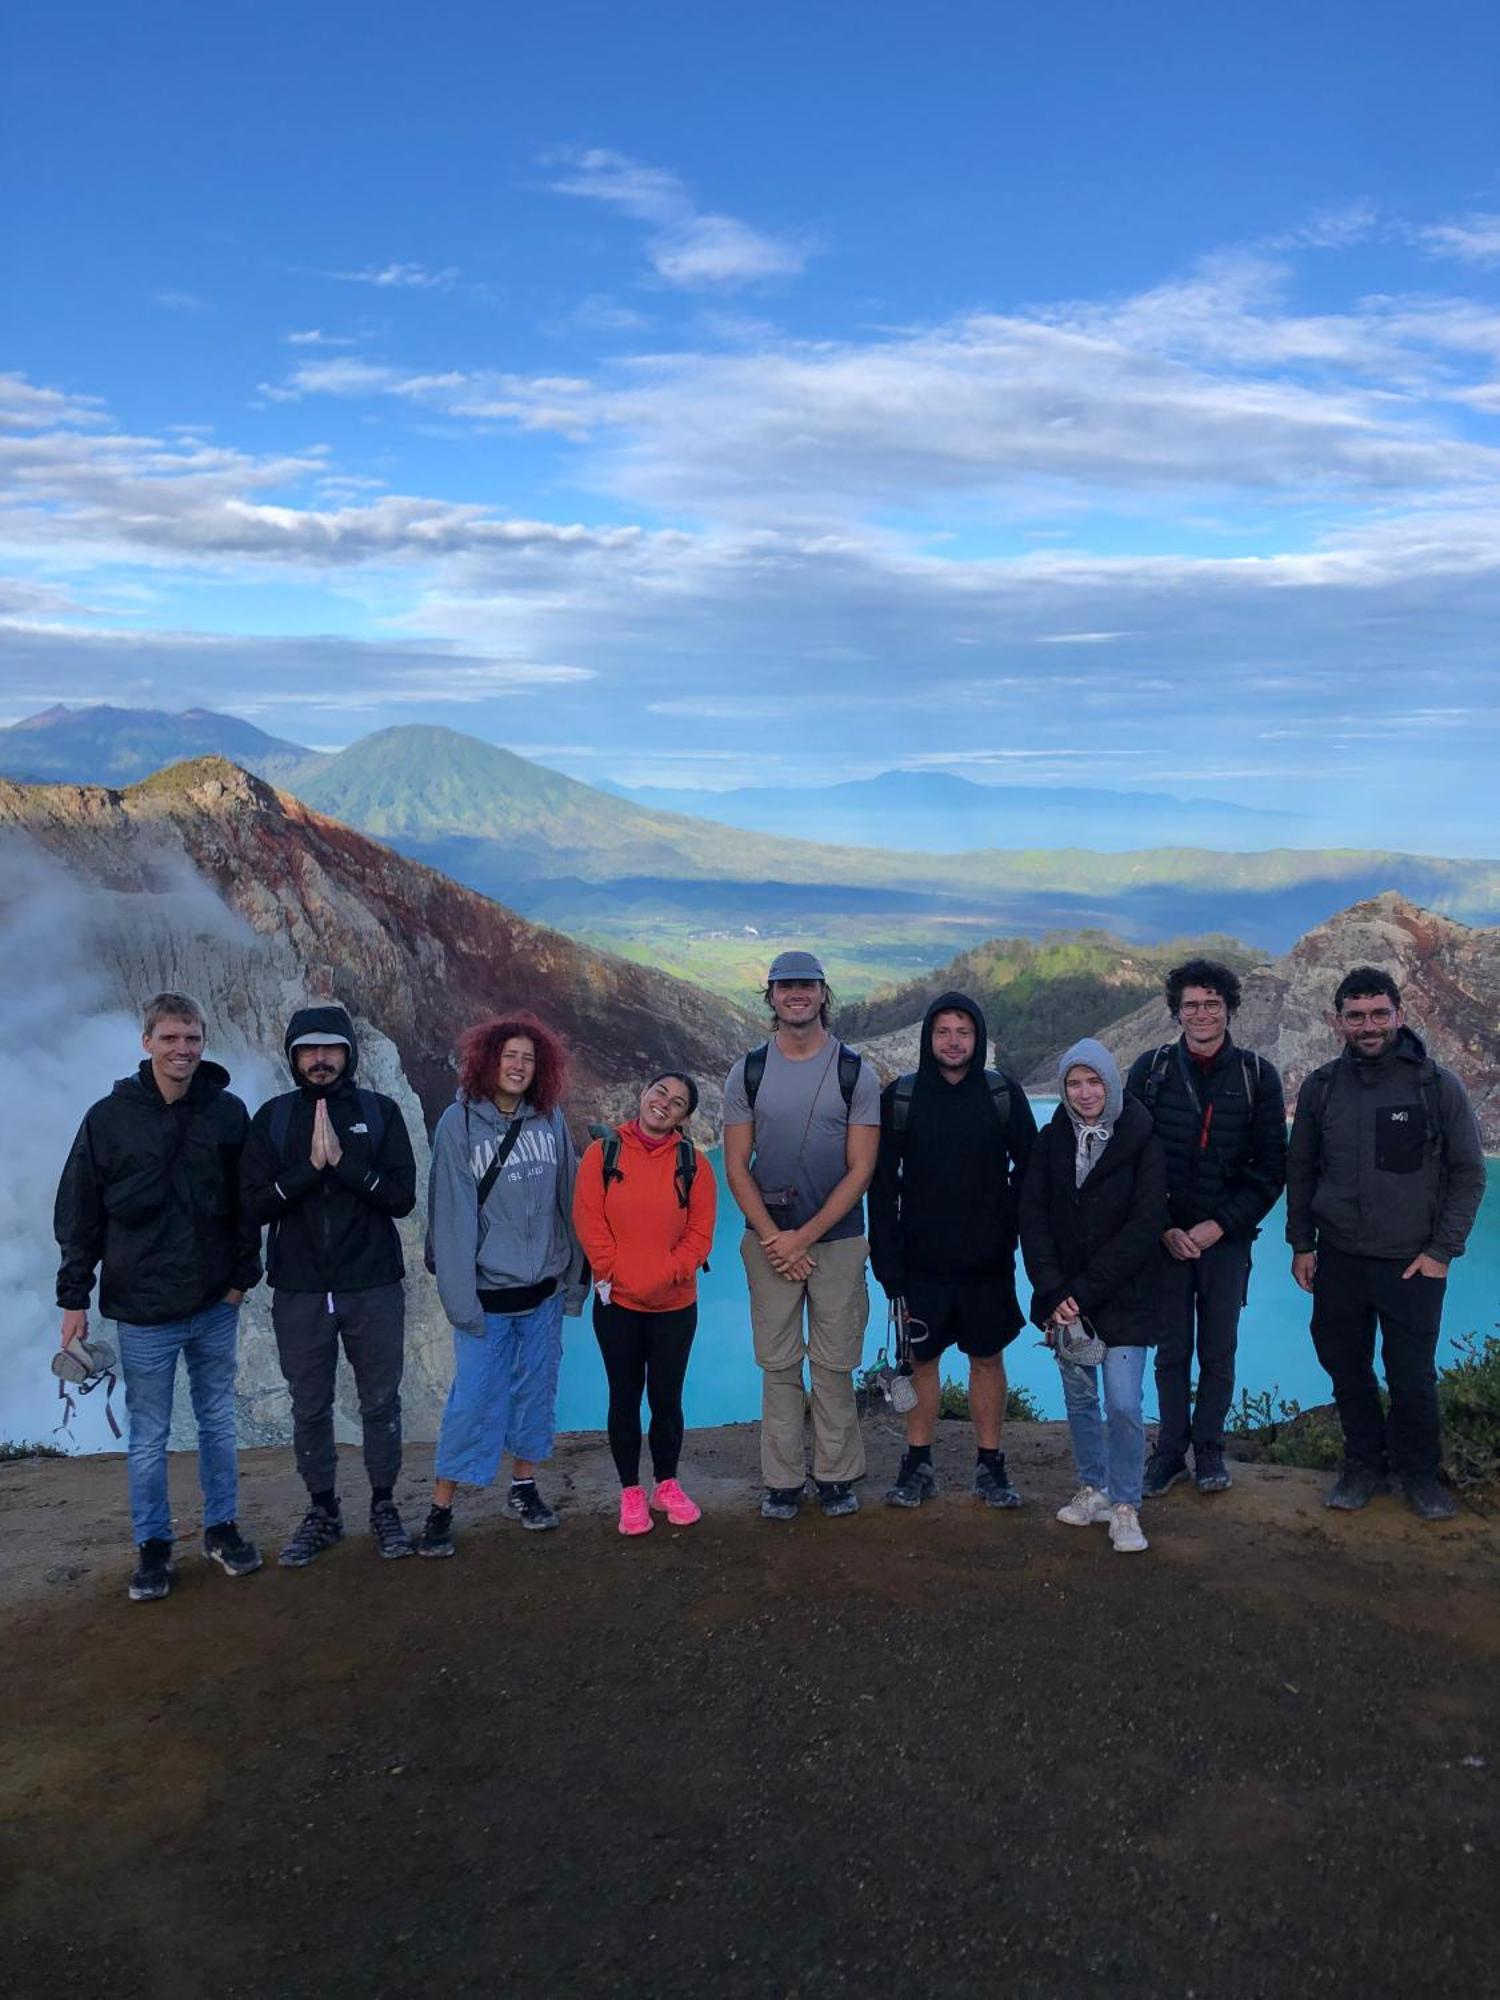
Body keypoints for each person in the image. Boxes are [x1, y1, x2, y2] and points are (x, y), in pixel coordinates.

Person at [54, 993, 263, 1602]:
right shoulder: (108, 1119)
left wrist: (240, 1280)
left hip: (211, 1304)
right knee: (149, 1434)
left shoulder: (227, 1114)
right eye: (170, 1038)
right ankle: (153, 1546)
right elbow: (80, 1213)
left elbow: (246, 1205)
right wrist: (74, 1300)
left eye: (192, 1039)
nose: (182, 1050)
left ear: (204, 1042)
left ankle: (221, 1529)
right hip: (143, 1310)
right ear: (146, 1042)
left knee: (218, 1420)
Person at [1287, 966, 1486, 1521]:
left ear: (1398, 1014)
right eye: (1356, 1016)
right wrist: (1302, 1244)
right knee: (1347, 1369)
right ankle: (1363, 1467)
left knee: (1412, 1377)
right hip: (1340, 1260)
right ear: (1338, 1022)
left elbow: (1469, 1173)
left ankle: (1418, 1476)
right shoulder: (1322, 1087)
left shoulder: (1435, 1084)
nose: (1368, 1025)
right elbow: (1300, 1171)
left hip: (1411, 1264)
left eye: (1379, 1014)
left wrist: (1443, 1251)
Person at [240, 1005, 419, 1566]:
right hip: (300, 1288)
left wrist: (343, 1165)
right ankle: (323, 1510)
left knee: (380, 1401)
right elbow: (252, 1203)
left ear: (349, 1053)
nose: (320, 1060)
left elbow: (401, 1198)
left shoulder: (380, 1112)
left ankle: (384, 1505)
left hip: (372, 1283)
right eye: (309, 1050)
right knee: (310, 1403)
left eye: (331, 1048)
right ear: (293, 1056)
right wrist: (307, 1171)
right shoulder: (271, 1119)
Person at [417, 1011, 588, 1555]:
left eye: (528, 1058)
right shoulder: (459, 1124)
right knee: (473, 1401)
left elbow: (570, 1196)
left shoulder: (550, 1118)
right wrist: (460, 1301)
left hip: (541, 1292)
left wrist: (574, 1275)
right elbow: (452, 1214)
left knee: (535, 1394)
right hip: (486, 1297)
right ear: (487, 1062)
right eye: (509, 1056)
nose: (518, 1066)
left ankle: (523, 1486)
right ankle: (442, 1505)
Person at [723, 950, 881, 1520]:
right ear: (771, 996)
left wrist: (801, 1238)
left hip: (836, 1240)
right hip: (768, 1241)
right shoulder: (747, 1071)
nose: (797, 995)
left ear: (822, 994)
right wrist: (775, 1239)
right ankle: (783, 1480)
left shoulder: (854, 1071)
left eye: (806, 986)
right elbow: (737, 1165)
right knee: (779, 1364)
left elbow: (861, 1169)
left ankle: (837, 1476)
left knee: (835, 1364)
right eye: (786, 986)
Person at [869, 991, 1038, 1509]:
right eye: (943, 1031)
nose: (953, 1041)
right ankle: (917, 1465)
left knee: (987, 1358)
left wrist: (1004, 1227)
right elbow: (881, 1186)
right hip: (920, 1263)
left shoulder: (1001, 1094)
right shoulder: (901, 1097)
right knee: (922, 1361)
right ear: (928, 1038)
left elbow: (1029, 1172)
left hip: (987, 1262)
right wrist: (887, 1263)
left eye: (963, 1031)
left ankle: (991, 1466)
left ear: (978, 1039)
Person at [1127, 958, 1287, 1499]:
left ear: (1229, 1009)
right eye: (1191, 1004)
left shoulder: (1258, 1076)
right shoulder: (1149, 1071)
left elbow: (1269, 1170)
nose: (1201, 1013)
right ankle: (1170, 1451)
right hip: (1166, 1241)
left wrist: (1220, 1225)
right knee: (1172, 1351)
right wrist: (1165, 1228)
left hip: (1225, 1242)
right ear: (1176, 1011)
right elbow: (1133, 1160)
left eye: (1212, 1003)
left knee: (1218, 1350)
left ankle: (1210, 1449)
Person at [1019, 1039, 1168, 1554]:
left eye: (1094, 1081)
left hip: (1124, 1296)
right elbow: (1033, 1217)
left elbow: (1145, 1224)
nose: (1085, 1093)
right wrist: (1052, 1289)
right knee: (1081, 1400)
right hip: (1065, 1298)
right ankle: (1094, 1487)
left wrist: (1079, 1292)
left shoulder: (1142, 1137)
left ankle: (1126, 1503)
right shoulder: (1051, 1140)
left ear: (1111, 1082)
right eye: (1074, 1084)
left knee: (1124, 1404)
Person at [572, 1072, 718, 1535]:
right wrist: (621, 1274)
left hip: (674, 1304)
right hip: (617, 1302)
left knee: (667, 1398)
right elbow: (589, 1222)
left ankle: (667, 1483)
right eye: (660, 1092)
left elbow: (699, 1234)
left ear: (683, 1117)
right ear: (643, 1094)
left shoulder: (694, 1163)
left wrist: (667, 1275)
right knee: (624, 1396)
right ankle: (630, 1491)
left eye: (677, 1102)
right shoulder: (602, 1154)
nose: (664, 1104)